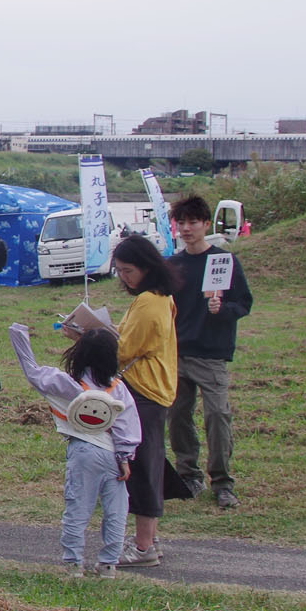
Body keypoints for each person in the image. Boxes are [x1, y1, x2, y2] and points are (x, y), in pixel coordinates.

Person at [9, 321, 141, 577]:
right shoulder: (119, 389)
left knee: (77, 507)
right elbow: (128, 425)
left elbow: (33, 372)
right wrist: (125, 458)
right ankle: (108, 564)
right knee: (116, 510)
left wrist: (18, 334)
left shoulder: (66, 384)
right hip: (113, 454)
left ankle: (73, 563)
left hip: (83, 452)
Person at [167, 194, 253, 509]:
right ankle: (187, 475)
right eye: (182, 223)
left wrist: (222, 309)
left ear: (206, 224)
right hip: (176, 353)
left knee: (217, 416)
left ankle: (222, 482)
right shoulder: (172, 264)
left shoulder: (224, 261)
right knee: (177, 416)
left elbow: (243, 303)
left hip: (212, 354)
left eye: (193, 222)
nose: (187, 228)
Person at [111, 235, 181, 568]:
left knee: (141, 467)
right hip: (153, 391)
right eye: (120, 271)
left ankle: (142, 546)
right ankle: (148, 538)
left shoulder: (150, 304)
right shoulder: (157, 297)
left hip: (144, 393)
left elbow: (123, 349)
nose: (124, 277)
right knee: (148, 463)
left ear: (146, 267)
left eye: (128, 270)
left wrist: (89, 337)